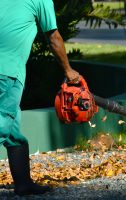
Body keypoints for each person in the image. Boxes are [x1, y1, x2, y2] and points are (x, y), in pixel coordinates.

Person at [0, 0, 80, 196]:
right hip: (7, 72)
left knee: (13, 134)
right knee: (2, 126)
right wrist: (68, 70)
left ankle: (24, 183)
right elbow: (53, 37)